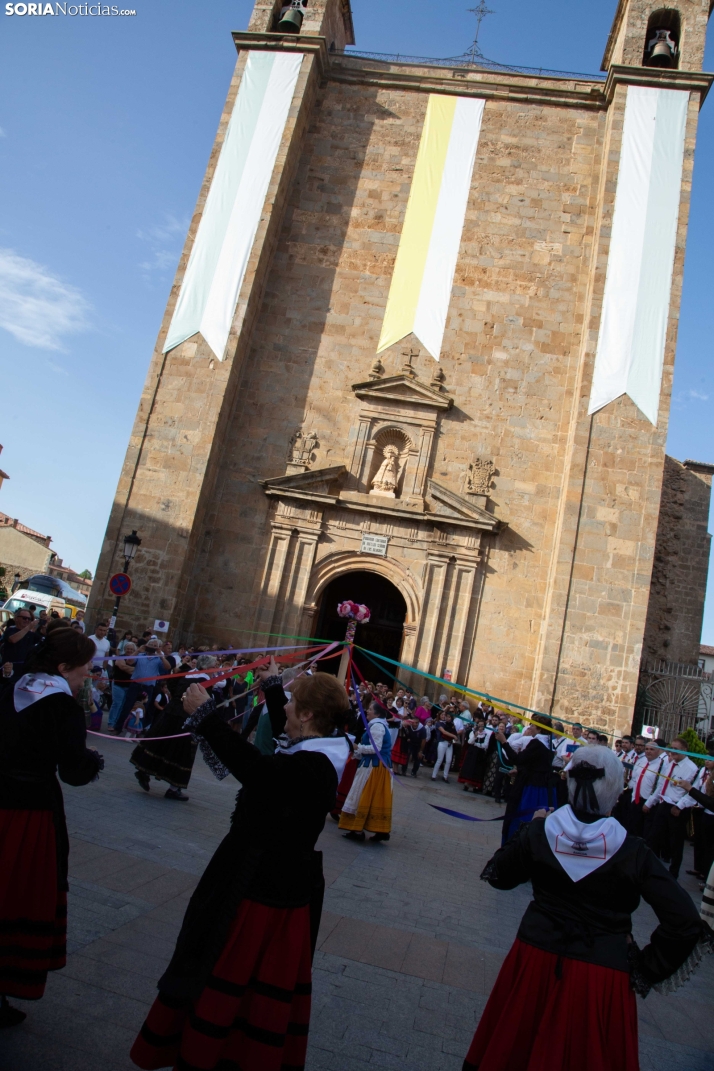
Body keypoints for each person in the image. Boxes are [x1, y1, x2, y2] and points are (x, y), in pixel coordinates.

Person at [130, 664, 350, 1071]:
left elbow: (258, 771)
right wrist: (273, 686)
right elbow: (284, 734)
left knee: (232, 974)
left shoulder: (313, 766)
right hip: (260, 878)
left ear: (307, 715)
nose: (286, 708)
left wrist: (207, 716)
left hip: (262, 894)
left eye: (293, 703)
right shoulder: (315, 749)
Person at [462, 745, 711, 1071]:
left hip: (536, 957)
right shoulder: (633, 851)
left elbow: (501, 876)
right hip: (601, 973)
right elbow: (685, 920)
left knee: (516, 1046)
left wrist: (531, 829)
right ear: (616, 792)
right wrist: (643, 966)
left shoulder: (542, 831)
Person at [0, 628, 102, 1028]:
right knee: (18, 894)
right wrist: (92, 759)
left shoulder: (13, 687)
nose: (88, 673)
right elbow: (74, 772)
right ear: (63, 667)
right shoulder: (63, 707)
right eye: (84, 666)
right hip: (30, 814)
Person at [129, 654, 217, 801]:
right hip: (186, 718)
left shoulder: (188, 673)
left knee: (161, 743)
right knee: (181, 751)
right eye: (213, 667)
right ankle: (174, 789)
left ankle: (144, 770)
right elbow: (203, 702)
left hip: (170, 713)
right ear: (207, 667)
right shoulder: (204, 680)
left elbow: (172, 685)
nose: (215, 670)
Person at [495, 715, 558, 844]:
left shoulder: (537, 743)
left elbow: (518, 759)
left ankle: (514, 845)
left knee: (522, 818)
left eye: (533, 726)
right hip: (543, 787)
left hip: (531, 787)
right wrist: (520, 770)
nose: (530, 728)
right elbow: (537, 764)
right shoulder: (549, 744)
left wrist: (504, 742)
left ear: (539, 729)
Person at [339, 698, 393, 842]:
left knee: (364, 794)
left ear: (377, 713)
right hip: (378, 766)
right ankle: (380, 830)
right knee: (376, 797)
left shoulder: (377, 726)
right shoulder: (379, 725)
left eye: (370, 709)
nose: (367, 711)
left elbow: (376, 749)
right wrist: (356, 752)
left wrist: (357, 747)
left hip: (373, 767)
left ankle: (358, 830)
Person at [644, 737, 699, 879]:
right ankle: (650, 867)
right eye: (671, 748)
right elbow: (662, 785)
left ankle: (673, 874)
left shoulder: (691, 768)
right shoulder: (670, 764)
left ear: (684, 750)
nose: (672, 752)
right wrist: (650, 802)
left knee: (675, 843)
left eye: (676, 749)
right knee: (654, 836)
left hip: (678, 807)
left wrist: (679, 806)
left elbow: (691, 792)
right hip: (664, 803)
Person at [627, 738, 667, 837]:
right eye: (647, 749)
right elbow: (636, 780)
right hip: (636, 800)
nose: (648, 751)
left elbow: (660, 786)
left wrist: (649, 803)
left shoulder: (662, 765)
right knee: (633, 829)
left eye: (652, 749)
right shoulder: (642, 762)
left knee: (644, 833)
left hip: (648, 803)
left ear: (658, 751)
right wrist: (633, 798)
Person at [0, 608, 43, 684]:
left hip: (23, 671)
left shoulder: (31, 634)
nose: (27, 620)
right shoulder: (11, 629)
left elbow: (45, 641)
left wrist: (45, 626)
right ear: (16, 618)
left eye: (29, 619)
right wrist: (29, 627)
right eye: (24, 618)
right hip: (9, 669)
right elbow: (13, 639)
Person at [459, 720, 492, 793]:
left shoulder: (486, 734)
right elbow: (470, 742)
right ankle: (466, 784)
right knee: (469, 768)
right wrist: (475, 736)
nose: (480, 726)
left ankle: (475, 786)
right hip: (472, 753)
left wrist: (476, 744)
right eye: (479, 725)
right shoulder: (473, 732)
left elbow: (485, 745)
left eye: (482, 725)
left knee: (477, 769)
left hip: (480, 754)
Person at [432, 713, 458, 783]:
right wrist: (454, 736)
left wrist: (454, 736)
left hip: (449, 743)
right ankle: (434, 775)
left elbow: (454, 731)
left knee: (449, 760)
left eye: (445, 715)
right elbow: (444, 732)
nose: (444, 717)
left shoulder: (451, 724)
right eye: (443, 715)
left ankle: (445, 776)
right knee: (440, 759)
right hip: (442, 742)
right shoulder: (439, 723)